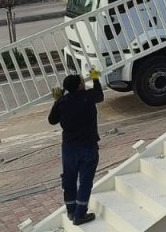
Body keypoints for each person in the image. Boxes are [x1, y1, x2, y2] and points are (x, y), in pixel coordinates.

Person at [48, 71, 104, 225]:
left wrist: (57, 100)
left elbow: (52, 120)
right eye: (82, 81)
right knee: (85, 182)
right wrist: (95, 78)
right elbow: (100, 95)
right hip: (88, 146)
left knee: (69, 180)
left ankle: (71, 211)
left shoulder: (62, 102)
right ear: (80, 85)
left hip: (69, 148)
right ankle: (80, 214)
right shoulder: (88, 97)